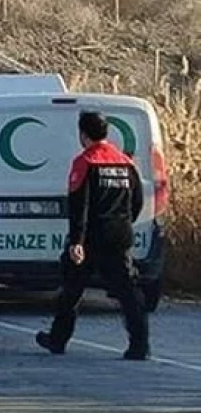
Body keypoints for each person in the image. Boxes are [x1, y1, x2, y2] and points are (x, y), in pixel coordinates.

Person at [36, 111, 150, 360]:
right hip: (119, 235)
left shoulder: (85, 162)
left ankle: (57, 339)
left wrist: (76, 241)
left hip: (91, 238)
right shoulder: (125, 163)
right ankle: (140, 345)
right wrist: (123, 223)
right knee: (128, 293)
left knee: (72, 290)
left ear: (83, 134)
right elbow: (138, 201)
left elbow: (80, 205)